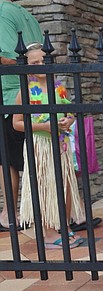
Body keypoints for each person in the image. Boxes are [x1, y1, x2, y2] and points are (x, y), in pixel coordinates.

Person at [12, 43, 85, 248]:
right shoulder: (25, 90)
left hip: (60, 144)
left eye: (44, 60)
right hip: (39, 146)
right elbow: (17, 123)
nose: (40, 64)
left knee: (66, 186)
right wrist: (44, 126)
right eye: (34, 62)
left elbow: (70, 112)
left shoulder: (59, 87)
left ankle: (65, 226)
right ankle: (50, 233)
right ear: (27, 66)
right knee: (46, 187)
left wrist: (69, 120)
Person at [0, 0, 42, 232]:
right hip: (34, 92)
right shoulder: (27, 15)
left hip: (12, 93)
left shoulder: (2, 12)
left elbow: (10, 57)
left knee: (6, 159)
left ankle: (10, 213)